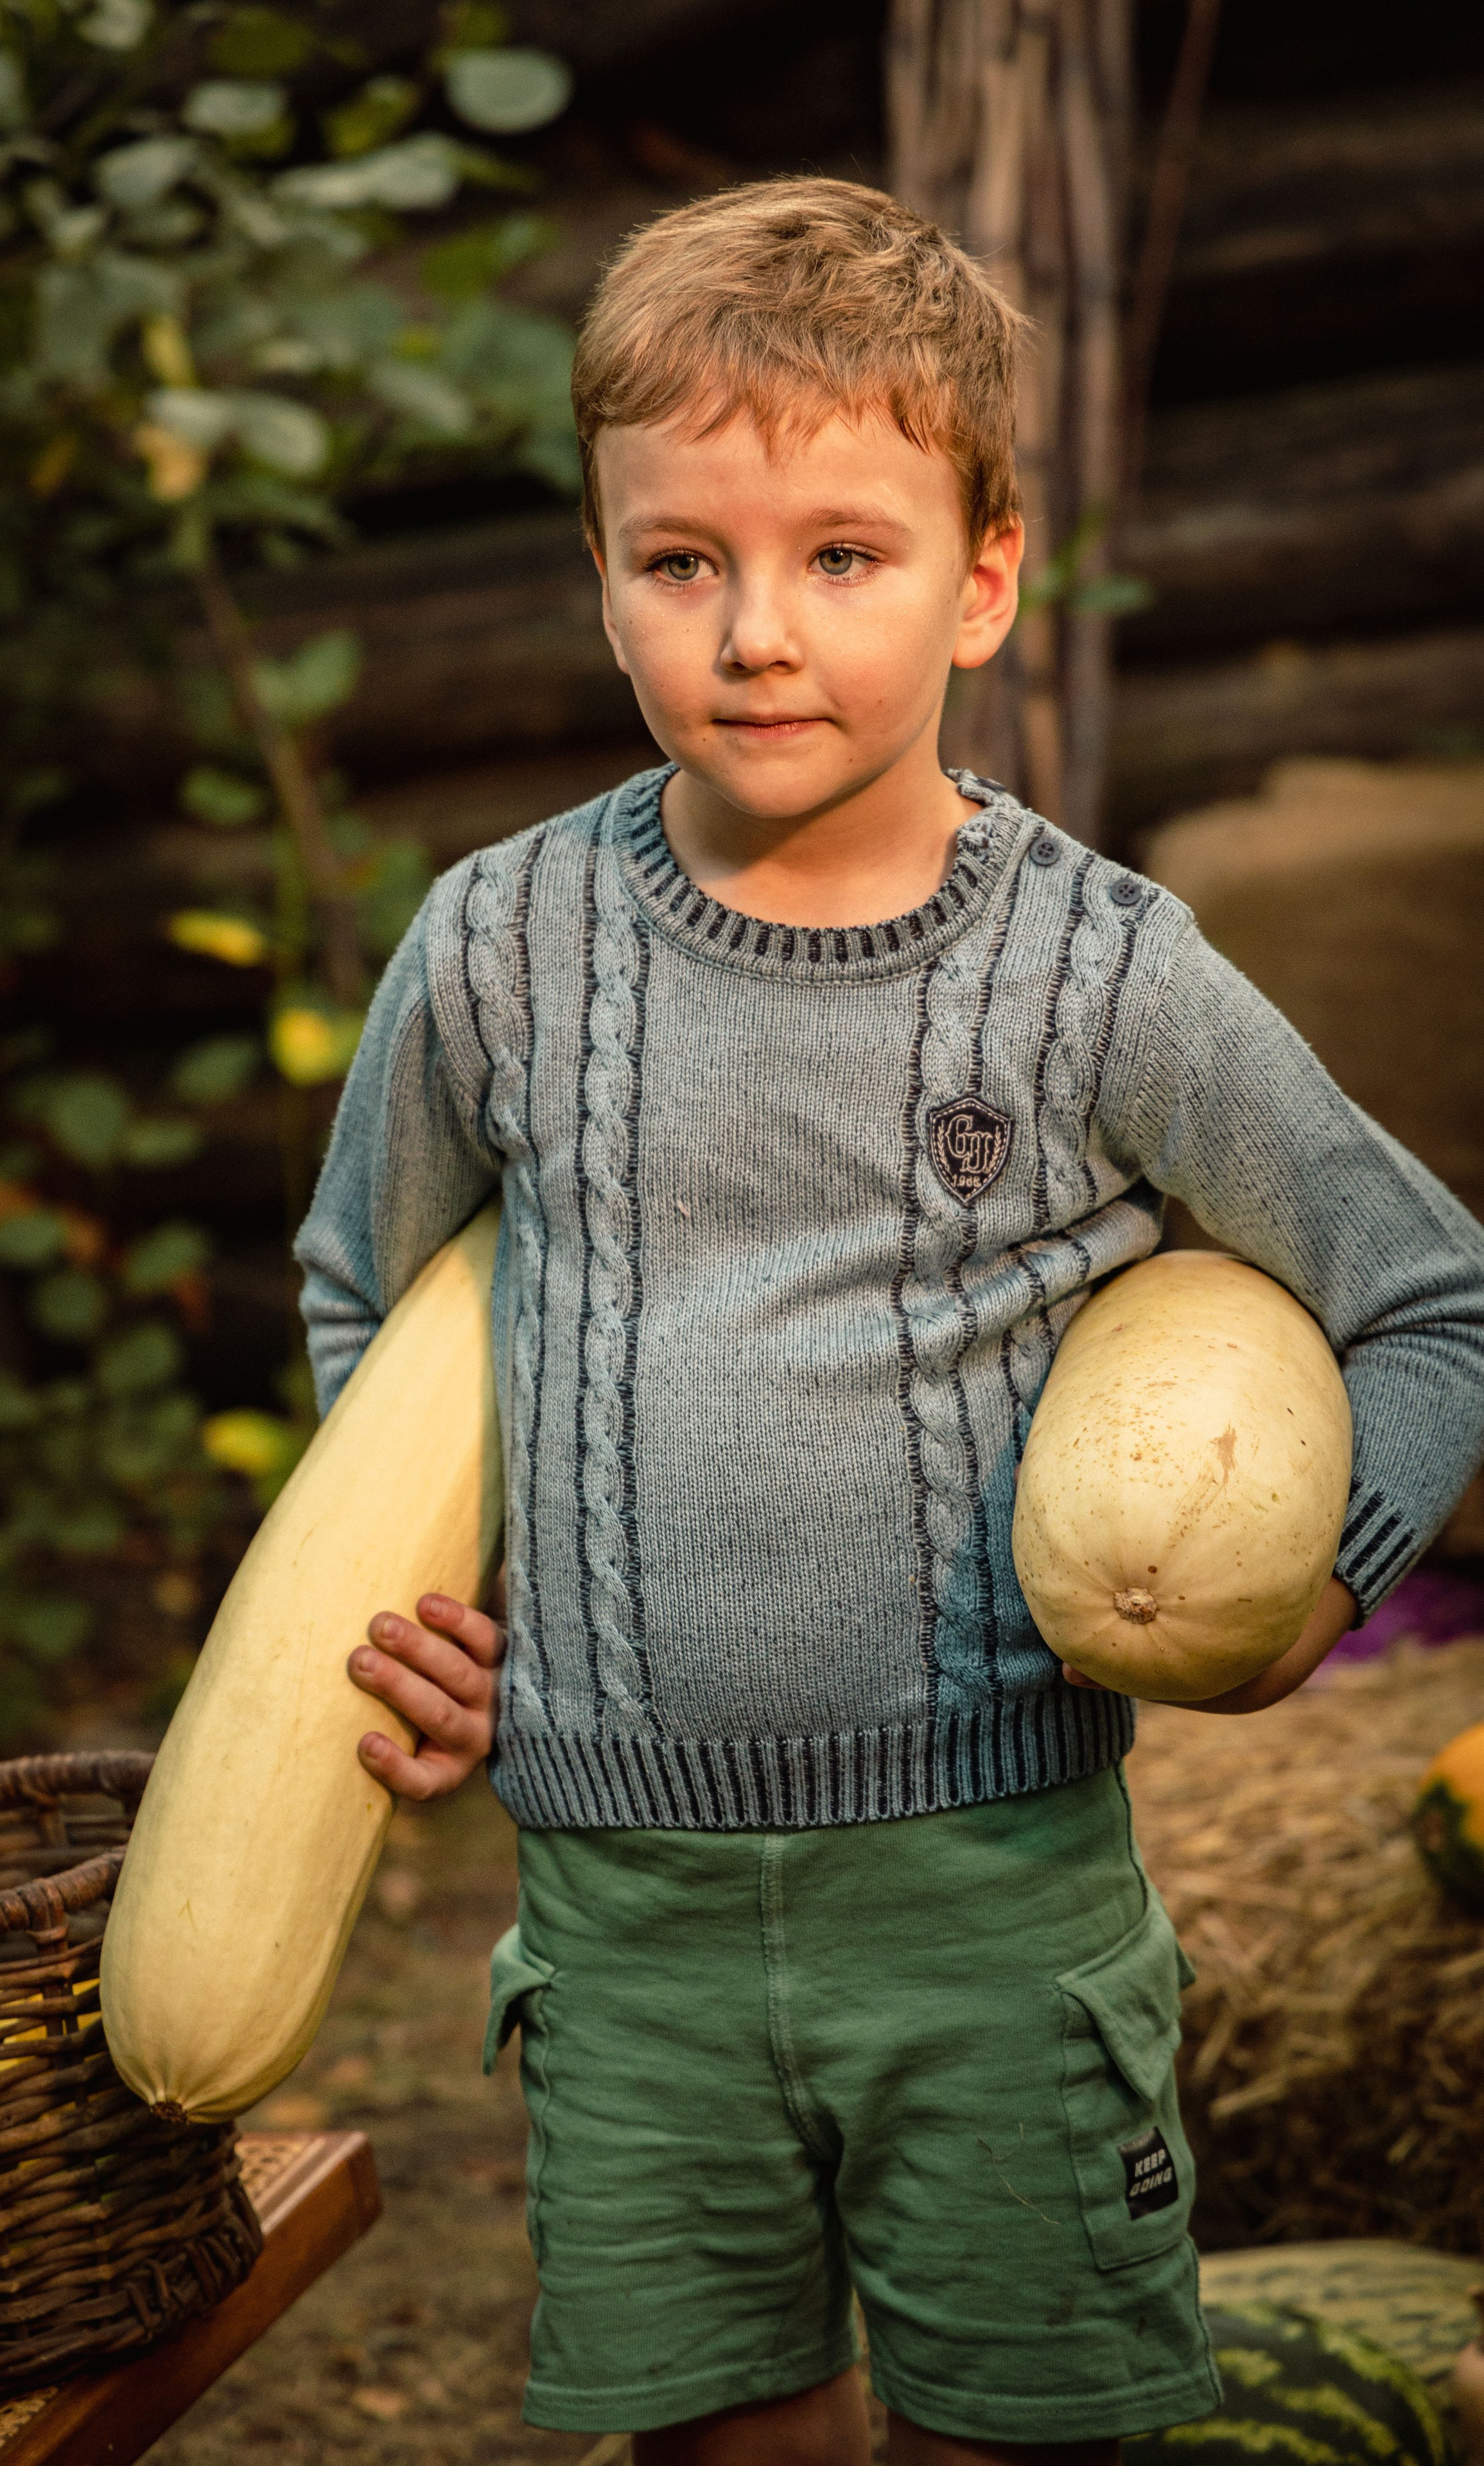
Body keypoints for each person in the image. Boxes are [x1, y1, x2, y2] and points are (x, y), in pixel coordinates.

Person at [295, 179, 1484, 2466]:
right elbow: (378, 1298)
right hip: (622, 1924)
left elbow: (1428, 1301)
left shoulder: (1102, 973)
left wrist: (1300, 1598)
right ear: (602, 574)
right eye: (683, 560)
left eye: (844, 554)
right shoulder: (496, 953)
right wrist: (420, 1602)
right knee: (724, 2440)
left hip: (992, 1913)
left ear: (988, 569)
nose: (758, 633)